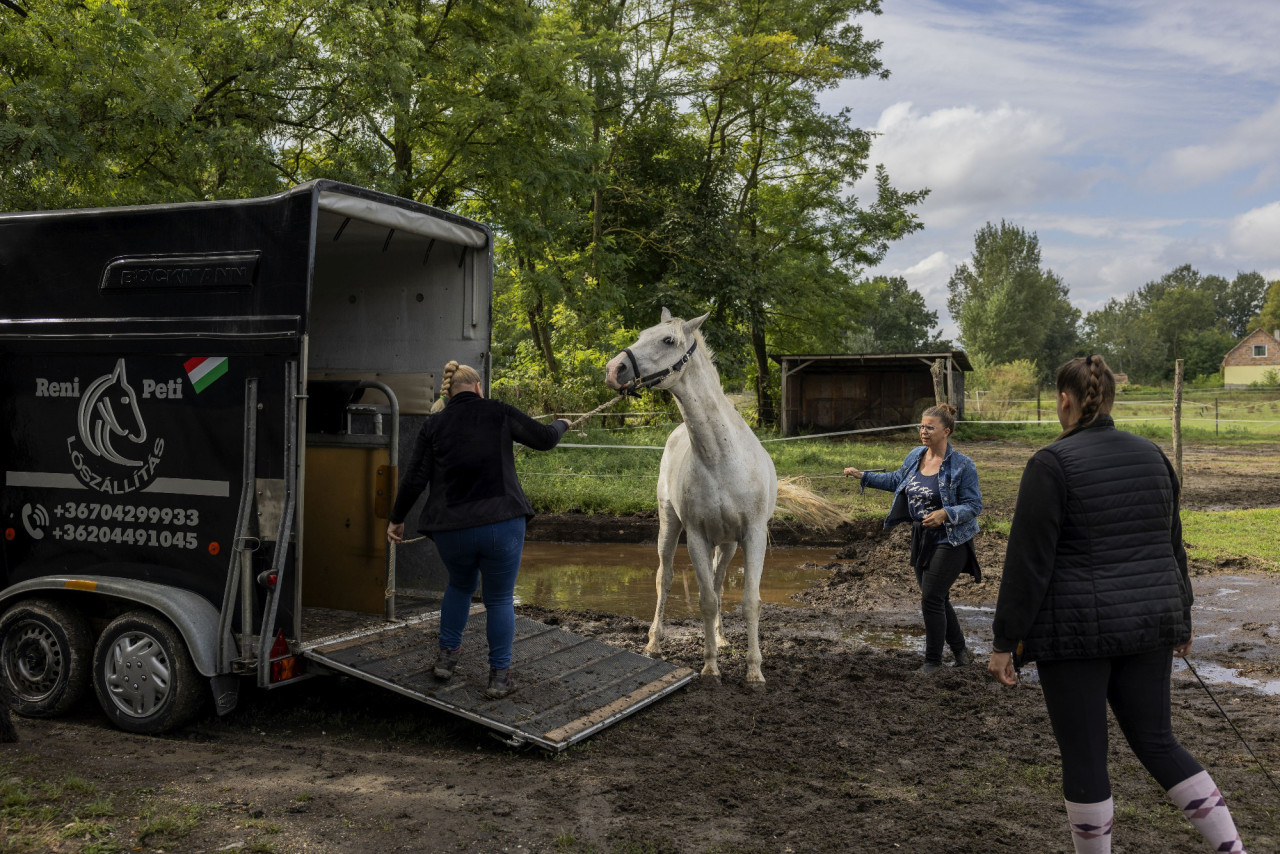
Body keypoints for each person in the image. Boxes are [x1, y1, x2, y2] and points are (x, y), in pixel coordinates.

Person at [987, 355, 1246, 854]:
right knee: (1158, 742)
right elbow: (1173, 545)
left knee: (1085, 757)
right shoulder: (1152, 454)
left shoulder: (1050, 463)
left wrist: (1004, 641)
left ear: (1064, 400)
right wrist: (1181, 616)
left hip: (1076, 634)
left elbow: (1028, 564)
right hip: (1148, 626)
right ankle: (1233, 848)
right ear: (1109, 398)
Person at [387, 361, 570, 699]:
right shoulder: (497, 411)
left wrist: (396, 519)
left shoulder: (433, 424)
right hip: (501, 524)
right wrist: (562, 423)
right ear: (478, 388)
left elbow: (414, 479)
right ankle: (499, 678)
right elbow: (544, 439)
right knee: (499, 598)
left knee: (459, 586)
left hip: (452, 530)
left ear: (450, 391)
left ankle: (446, 660)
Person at [844, 402, 982, 673]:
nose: (924, 431)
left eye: (930, 427)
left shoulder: (963, 465)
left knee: (931, 598)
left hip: (951, 540)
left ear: (947, 431)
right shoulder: (916, 456)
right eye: (921, 426)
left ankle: (933, 661)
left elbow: (974, 505)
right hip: (922, 538)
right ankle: (961, 651)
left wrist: (945, 513)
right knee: (938, 598)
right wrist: (864, 476)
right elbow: (897, 480)